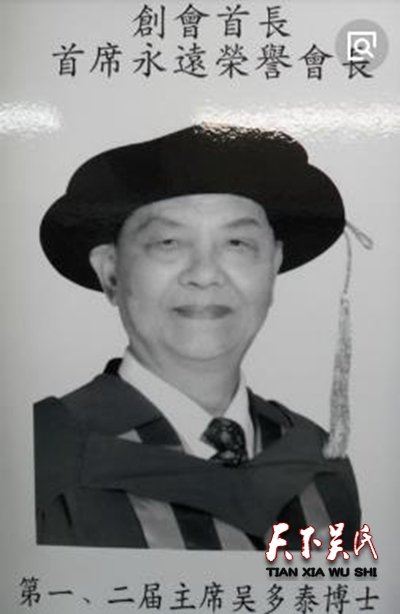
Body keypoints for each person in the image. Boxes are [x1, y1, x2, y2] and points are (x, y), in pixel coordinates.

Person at [34, 124, 361, 550]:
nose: (205, 274)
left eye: (237, 243)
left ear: (273, 264)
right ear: (110, 272)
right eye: (169, 242)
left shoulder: (317, 459)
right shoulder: (42, 452)